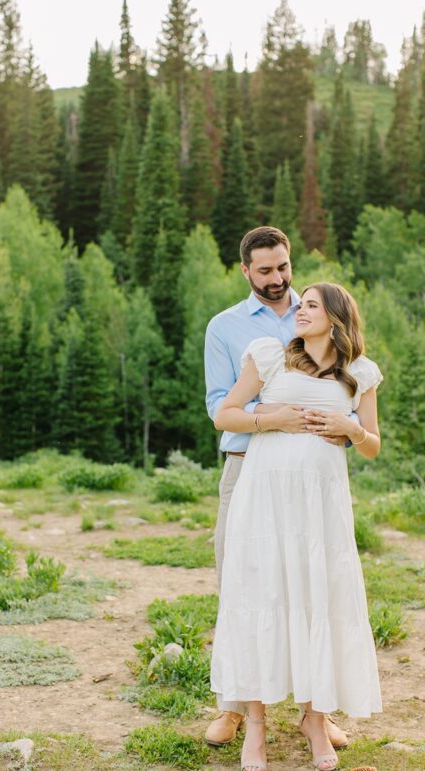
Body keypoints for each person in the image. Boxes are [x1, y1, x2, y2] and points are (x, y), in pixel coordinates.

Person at [210, 281, 383, 770]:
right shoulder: (268, 357)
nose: (299, 312)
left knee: (317, 598)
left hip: (320, 507)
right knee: (260, 595)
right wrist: (274, 419)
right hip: (264, 499)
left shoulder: (359, 374)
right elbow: (225, 414)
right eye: (301, 305)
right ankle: (257, 727)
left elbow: (372, 444)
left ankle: (314, 717)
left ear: (336, 315)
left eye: (310, 306)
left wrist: (352, 429)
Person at [202, 227, 350, 751]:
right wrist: (275, 418)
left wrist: (340, 429)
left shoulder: (318, 311)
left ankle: (318, 710)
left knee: (314, 586)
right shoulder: (226, 327)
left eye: (282, 267)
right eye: (264, 271)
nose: (276, 279)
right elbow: (219, 404)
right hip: (246, 466)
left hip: (310, 477)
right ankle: (236, 709)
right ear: (245, 270)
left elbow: (347, 393)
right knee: (242, 582)